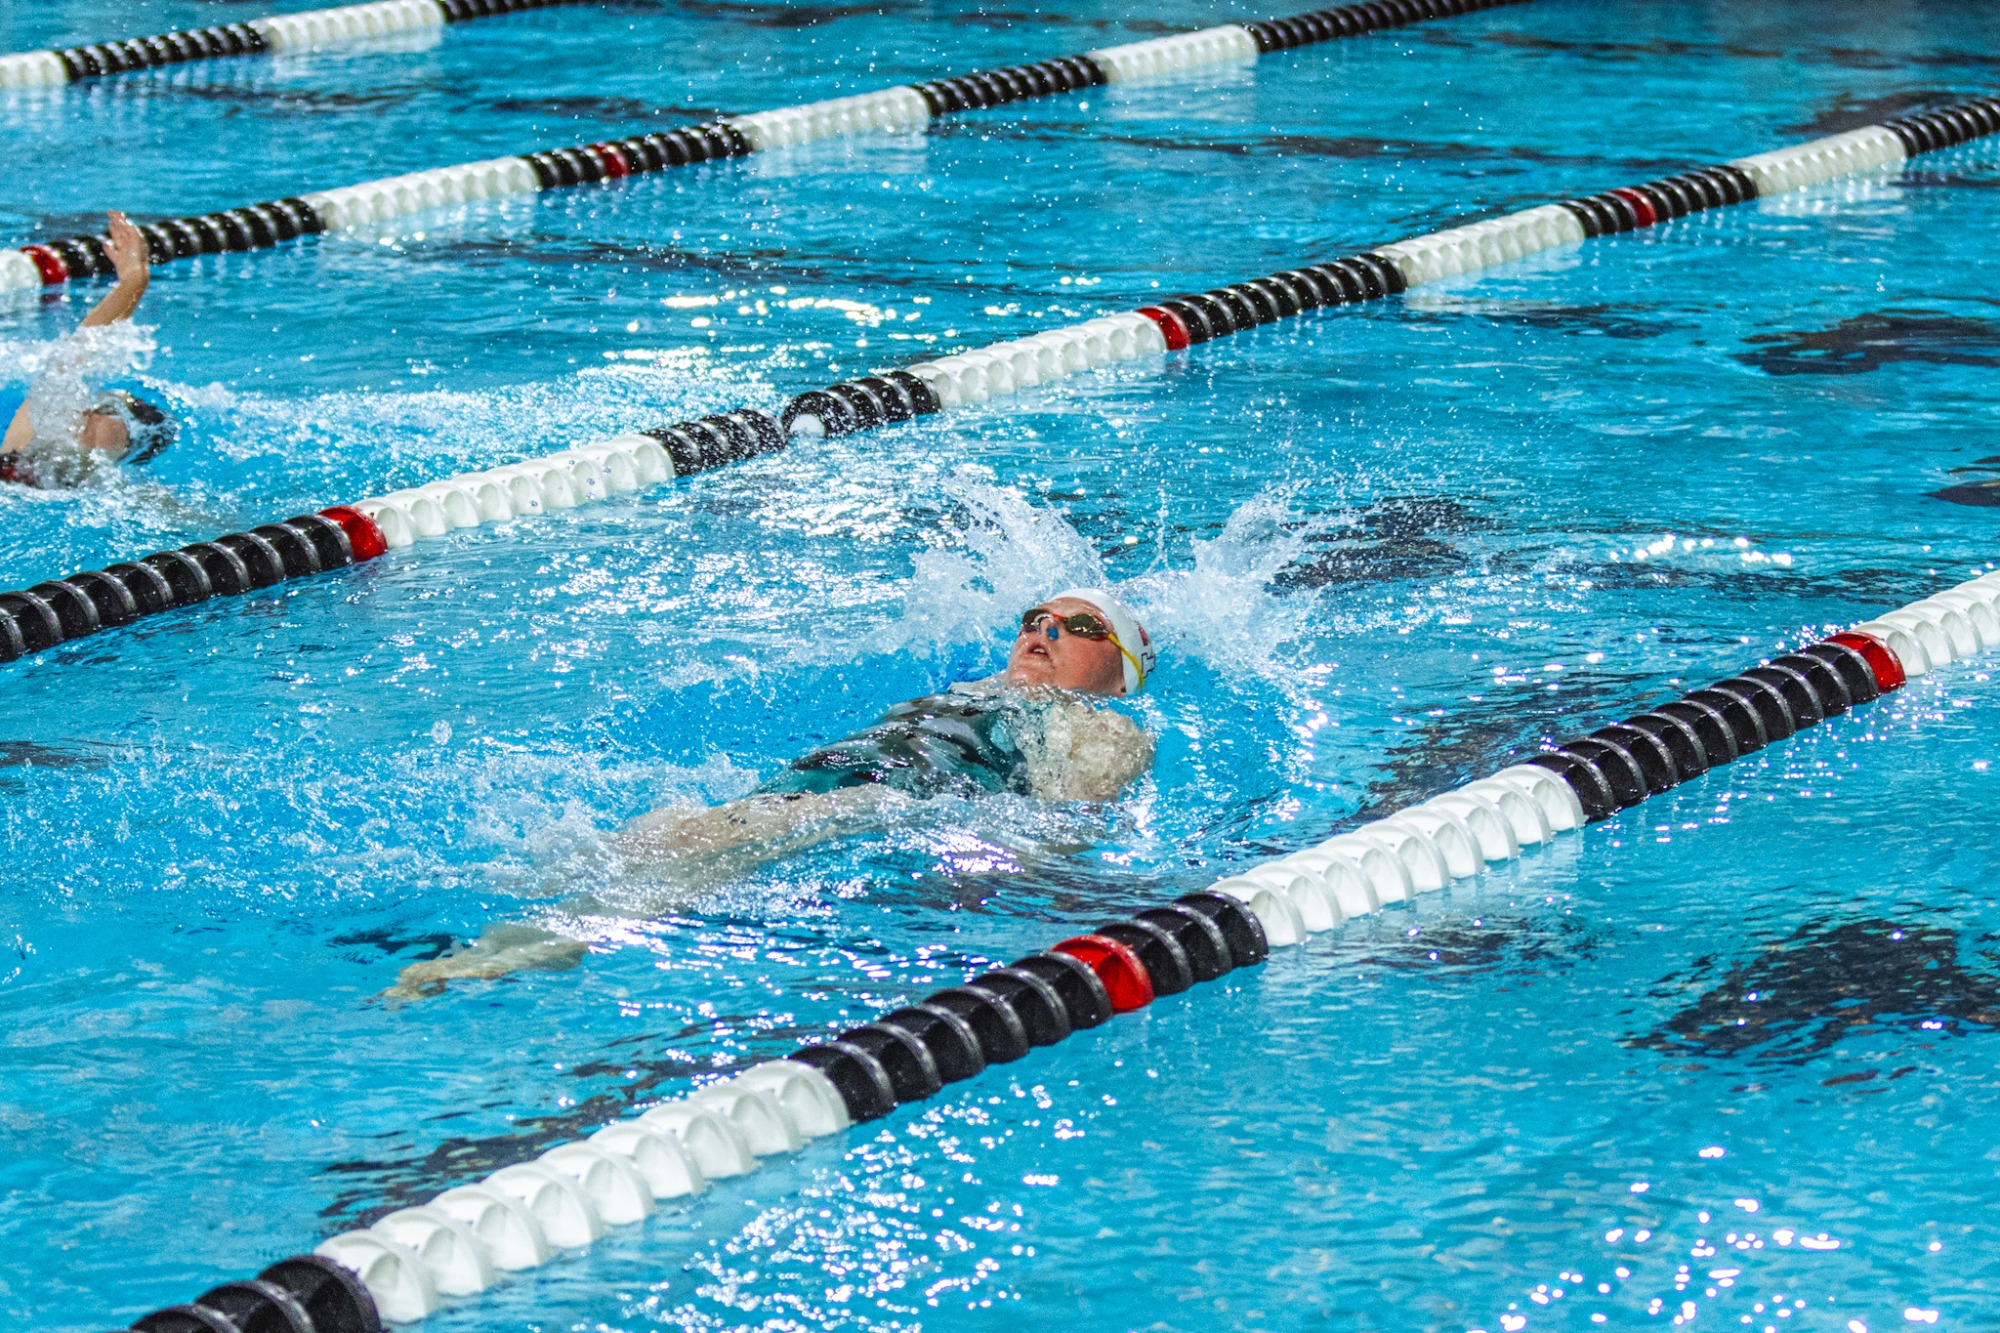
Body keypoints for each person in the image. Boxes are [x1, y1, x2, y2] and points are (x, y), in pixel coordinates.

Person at [384, 589, 1159, 1000]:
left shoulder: (1106, 728)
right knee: (659, 833)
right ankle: (497, 930)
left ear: (1119, 668)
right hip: (819, 781)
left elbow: (1065, 824)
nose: (1042, 630)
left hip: (890, 801)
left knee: (695, 856)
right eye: (1034, 617)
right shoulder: (977, 689)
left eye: (1076, 624)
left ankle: (528, 945)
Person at [1, 211, 177, 487]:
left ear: (125, 450)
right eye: (97, 404)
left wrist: (135, 280)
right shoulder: (23, 457)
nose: (84, 410)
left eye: (108, 410)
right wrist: (133, 281)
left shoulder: (126, 497)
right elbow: (76, 356)